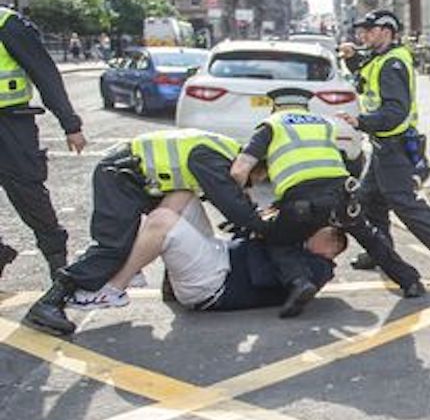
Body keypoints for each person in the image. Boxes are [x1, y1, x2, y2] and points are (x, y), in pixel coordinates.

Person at [23, 128, 264, 336]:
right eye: (255, 179)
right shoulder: (213, 158)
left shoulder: (224, 152)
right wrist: (266, 226)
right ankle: (50, 302)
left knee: (182, 198)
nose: (250, 185)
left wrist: (248, 213)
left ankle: (158, 277)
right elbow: (233, 206)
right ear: (251, 166)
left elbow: (228, 199)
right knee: (113, 247)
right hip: (120, 176)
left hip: (137, 178)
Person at [229, 86, 426, 316]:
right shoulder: (323, 123)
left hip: (300, 200)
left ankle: (300, 282)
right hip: (341, 192)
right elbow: (351, 159)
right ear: (305, 106)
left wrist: (243, 203)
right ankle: (410, 281)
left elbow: (239, 170)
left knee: (279, 241)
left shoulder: (271, 125)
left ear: (275, 106)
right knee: (369, 237)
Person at [335, 11, 430, 287]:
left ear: (387, 31)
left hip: (394, 146)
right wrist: (353, 58)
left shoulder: (392, 64)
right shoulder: (381, 58)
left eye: (370, 29)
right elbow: (366, 77)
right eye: (362, 30)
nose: (363, 34)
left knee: (405, 204)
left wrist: (360, 121)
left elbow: (395, 111)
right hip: (382, 145)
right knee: (369, 198)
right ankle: (381, 252)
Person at [69, 190, 344, 313]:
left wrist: (271, 231)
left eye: (323, 233)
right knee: (182, 195)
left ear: (331, 249)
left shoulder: (319, 270)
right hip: (219, 255)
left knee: (164, 221)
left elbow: (264, 272)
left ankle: (114, 288)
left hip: (214, 285)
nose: (313, 230)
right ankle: (135, 268)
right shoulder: (297, 244)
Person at [0, 6, 87, 281]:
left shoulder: (7, 24)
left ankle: (58, 269)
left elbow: (44, 73)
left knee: (29, 197)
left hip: (10, 125)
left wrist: (70, 124)